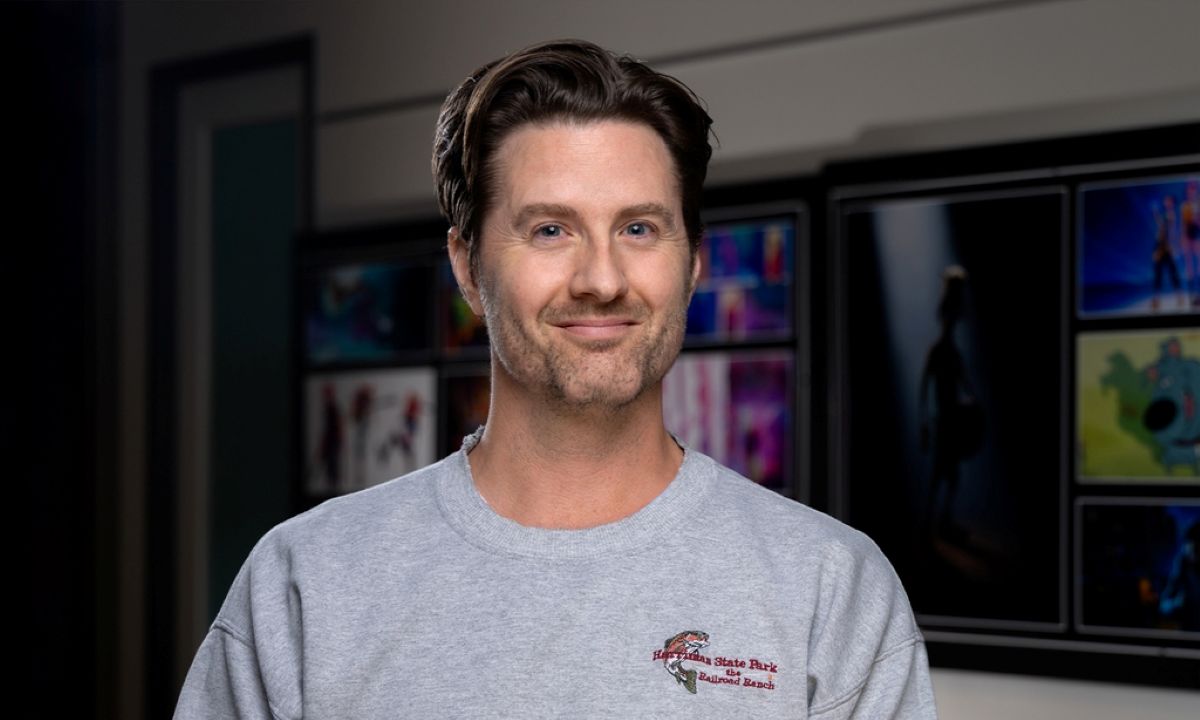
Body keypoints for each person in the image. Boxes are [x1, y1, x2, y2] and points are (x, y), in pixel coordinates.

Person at [174, 39, 937, 718]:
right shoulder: (306, 584)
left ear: (693, 263)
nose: (601, 279)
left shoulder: (830, 592)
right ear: (467, 266)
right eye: (550, 230)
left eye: (639, 228)